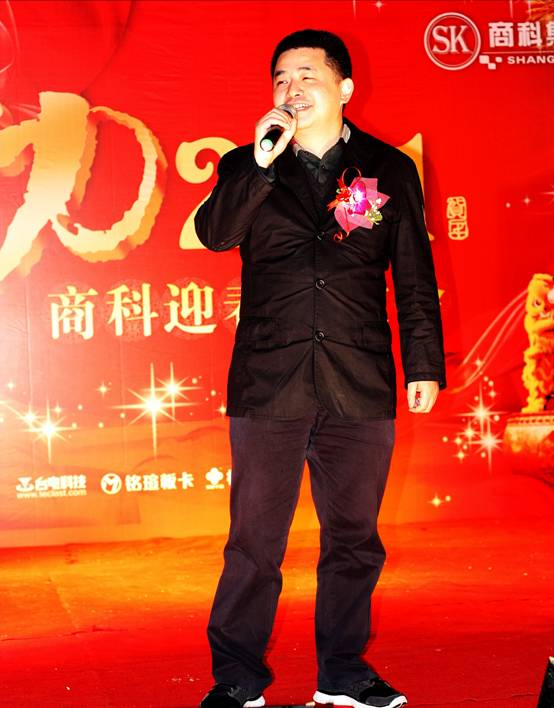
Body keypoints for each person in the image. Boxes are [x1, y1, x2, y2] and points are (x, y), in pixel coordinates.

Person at [195, 29, 446, 708]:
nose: (292, 89)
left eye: (307, 75)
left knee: (355, 540)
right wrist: (260, 163)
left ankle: (343, 674)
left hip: (357, 380)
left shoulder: (385, 169)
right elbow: (216, 234)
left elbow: (413, 275)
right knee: (254, 543)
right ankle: (237, 679)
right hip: (269, 381)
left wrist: (423, 364)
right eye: (281, 78)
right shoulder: (246, 163)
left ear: (345, 88)